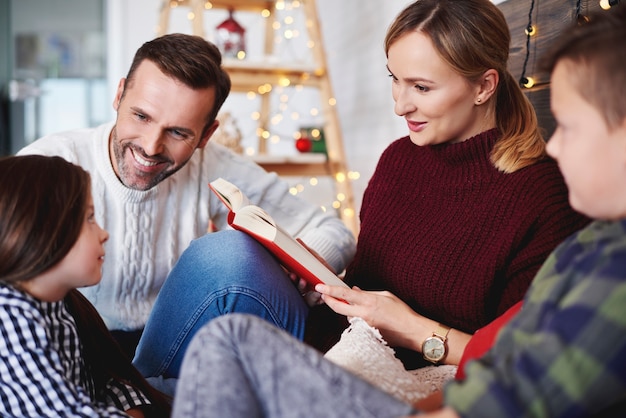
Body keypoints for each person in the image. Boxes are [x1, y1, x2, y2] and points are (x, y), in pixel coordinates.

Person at [169, 4, 626, 417]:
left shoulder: (546, 198)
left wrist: (412, 329)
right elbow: (373, 278)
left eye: (421, 87)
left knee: (223, 342)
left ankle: (140, 393)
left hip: (411, 380)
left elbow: (509, 360)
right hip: (338, 343)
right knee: (227, 258)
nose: (400, 104)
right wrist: (312, 274)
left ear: (484, 85)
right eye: (394, 78)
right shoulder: (398, 159)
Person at [17, 33, 357, 359]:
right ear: (119, 95)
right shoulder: (53, 162)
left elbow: (336, 231)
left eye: (178, 132)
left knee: (230, 249)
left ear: (206, 134)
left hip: (168, 345)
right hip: (72, 344)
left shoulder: (215, 165)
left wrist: (301, 261)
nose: (150, 147)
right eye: (141, 116)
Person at [0, 155, 171, 417]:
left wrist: (132, 408)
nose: (104, 234)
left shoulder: (61, 304)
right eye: (90, 218)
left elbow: (101, 378)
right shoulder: (9, 316)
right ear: (41, 231)